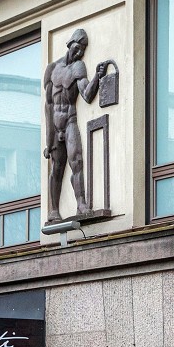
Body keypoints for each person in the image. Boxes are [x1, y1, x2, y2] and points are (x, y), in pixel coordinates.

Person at [43, 28, 107, 222]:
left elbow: (87, 95)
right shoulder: (52, 69)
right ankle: (53, 211)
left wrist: (97, 76)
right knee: (57, 167)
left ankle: (81, 203)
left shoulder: (79, 68)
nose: (79, 53)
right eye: (78, 48)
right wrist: (49, 140)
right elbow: (48, 105)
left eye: (83, 50)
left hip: (70, 120)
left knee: (76, 161)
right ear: (70, 44)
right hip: (55, 125)